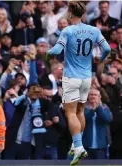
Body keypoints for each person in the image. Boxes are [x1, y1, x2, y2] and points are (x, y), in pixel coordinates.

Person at [47, 1, 111, 165]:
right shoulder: (94, 30)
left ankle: (79, 147)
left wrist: (47, 53)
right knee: (80, 111)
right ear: (82, 13)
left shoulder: (68, 30)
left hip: (71, 77)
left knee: (70, 113)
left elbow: (57, 50)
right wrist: (100, 59)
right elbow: (107, 49)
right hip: (86, 78)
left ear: (69, 14)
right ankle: (78, 145)